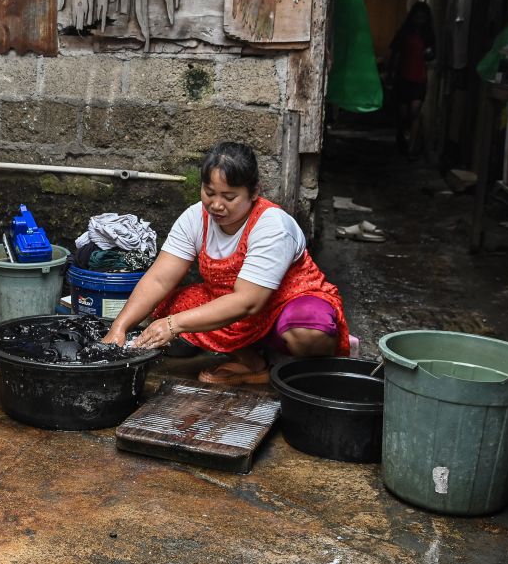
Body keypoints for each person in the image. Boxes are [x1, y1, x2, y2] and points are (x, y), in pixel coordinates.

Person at [103, 142, 350, 384]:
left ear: (254, 192)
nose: (216, 205)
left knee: (309, 330)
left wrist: (173, 325)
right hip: (230, 304)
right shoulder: (194, 218)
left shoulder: (273, 226)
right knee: (167, 304)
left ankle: (294, 369)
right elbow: (159, 279)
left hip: (284, 303)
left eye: (229, 197)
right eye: (209, 193)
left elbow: (247, 302)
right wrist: (119, 328)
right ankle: (253, 362)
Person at [387, 1, 435, 156]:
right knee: (403, 113)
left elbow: (434, 53)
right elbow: (394, 52)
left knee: (415, 111)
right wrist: (390, 73)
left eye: (423, 18)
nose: (420, 20)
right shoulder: (404, 33)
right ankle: (401, 136)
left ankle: (411, 147)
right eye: (418, 17)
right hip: (403, 77)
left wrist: (429, 54)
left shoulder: (428, 35)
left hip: (419, 78)